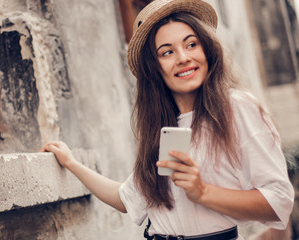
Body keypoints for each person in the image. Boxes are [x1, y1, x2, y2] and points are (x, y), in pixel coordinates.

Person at [42, 0, 295, 239]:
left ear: (207, 48)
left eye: (192, 44)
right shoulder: (164, 129)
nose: (183, 57)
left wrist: (203, 192)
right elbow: (126, 199)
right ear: (155, 68)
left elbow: (278, 200)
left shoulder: (237, 107)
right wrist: (71, 163)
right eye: (167, 52)